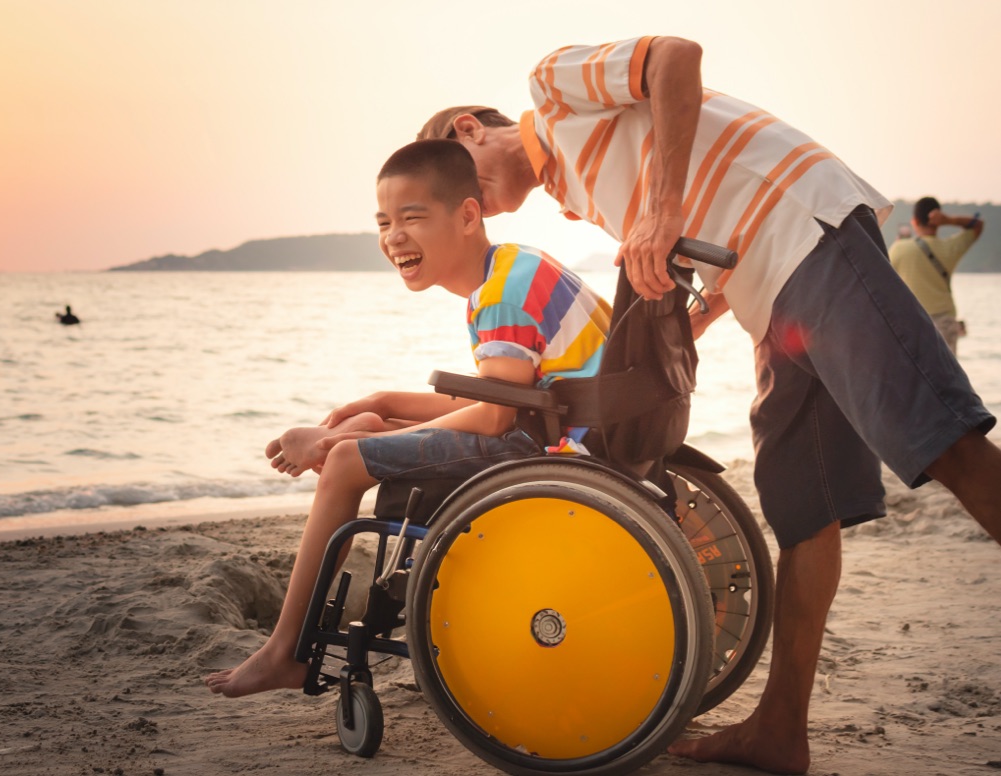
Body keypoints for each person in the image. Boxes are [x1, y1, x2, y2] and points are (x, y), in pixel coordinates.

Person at [418, 37, 1001, 775]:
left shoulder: (553, 92)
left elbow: (674, 58)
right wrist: (700, 312)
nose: (453, 201)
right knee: (800, 503)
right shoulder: (575, 192)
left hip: (803, 236)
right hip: (773, 295)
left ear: (471, 128)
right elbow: (701, 228)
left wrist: (660, 213)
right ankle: (780, 729)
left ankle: (781, 725)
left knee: (943, 444)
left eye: (446, 172)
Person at [204, 138, 612, 698]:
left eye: (412, 218)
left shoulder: (501, 293)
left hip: (554, 455)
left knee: (347, 460)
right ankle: (293, 638)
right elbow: (506, 400)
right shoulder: (513, 269)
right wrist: (384, 405)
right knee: (369, 429)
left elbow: (494, 418)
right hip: (557, 431)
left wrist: (328, 443)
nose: (394, 236)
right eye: (384, 222)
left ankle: (286, 651)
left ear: (468, 215)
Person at [889, 196, 984, 354]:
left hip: (913, 322)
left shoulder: (899, 248)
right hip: (945, 323)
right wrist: (949, 220)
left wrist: (899, 243)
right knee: (947, 377)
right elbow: (978, 226)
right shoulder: (950, 247)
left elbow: (887, 283)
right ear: (938, 222)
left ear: (914, 222)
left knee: (916, 377)